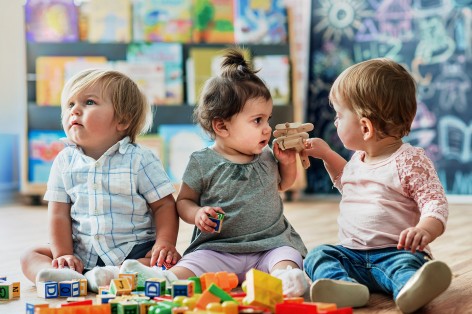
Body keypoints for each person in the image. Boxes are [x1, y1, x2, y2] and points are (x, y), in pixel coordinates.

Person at [121, 48, 308, 297]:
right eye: (257, 120)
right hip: (218, 249)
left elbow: (284, 184)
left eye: (268, 119)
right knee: (193, 266)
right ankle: (161, 278)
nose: (267, 129)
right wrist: (197, 213)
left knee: (288, 256)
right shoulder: (202, 161)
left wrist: (287, 162)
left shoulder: (266, 155)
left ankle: (287, 277)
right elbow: (184, 201)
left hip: (270, 245)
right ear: (221, 126)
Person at [302, 58, 452, 313]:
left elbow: (434, 201)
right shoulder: (358, 160)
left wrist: (425, 229)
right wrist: (326, 154)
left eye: (339, 115)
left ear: (365, 127)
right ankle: (344, 286)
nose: (335, 122)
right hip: (351, 255)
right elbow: (346, 181)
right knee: (317, 255)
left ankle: (410, 287)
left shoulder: (409, 160)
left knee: (405, 267)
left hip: (396, 253)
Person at [20, 69, 180, 292]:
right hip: (82, 252)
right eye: (69, 104)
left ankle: (114, 274)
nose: (74, 110)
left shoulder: (140, 159)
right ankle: (65, 275)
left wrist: (165, 243)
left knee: (165, 262)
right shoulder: (64, 161)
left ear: (122, 121)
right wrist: (63, 254)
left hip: (132, 250)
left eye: (89, 102)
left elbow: (164, 205)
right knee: (30, 255)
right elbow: (58, 212)